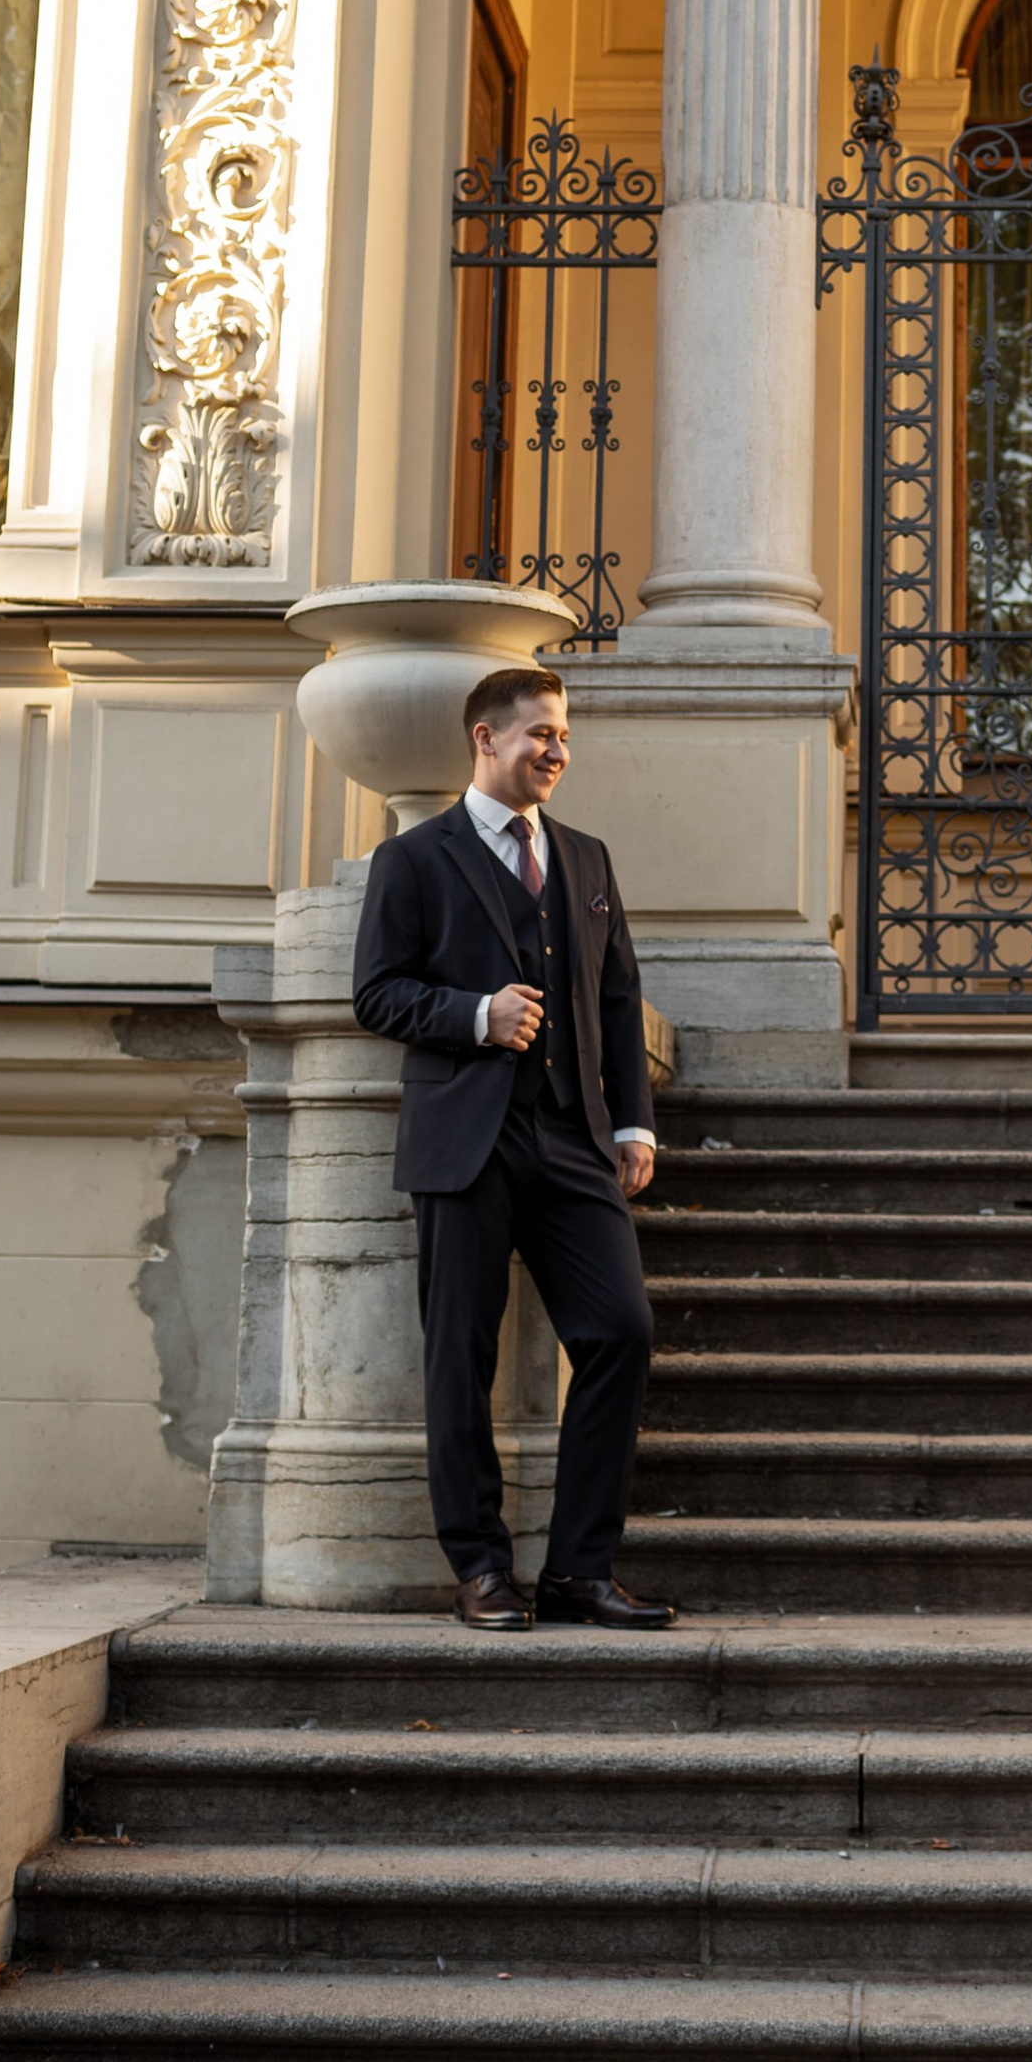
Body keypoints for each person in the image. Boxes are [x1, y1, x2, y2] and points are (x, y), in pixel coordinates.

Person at [352, 662, 671, 1634]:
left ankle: (579, 1570)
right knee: (460, 1356)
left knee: (620, 1331)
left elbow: (617, 998)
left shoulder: (587, 860)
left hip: (571, 1135)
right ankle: (480, 1568)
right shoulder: (412, 860)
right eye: (539, 733)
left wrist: (632, 1119)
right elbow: (375, 993)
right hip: (464, 1140)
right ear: (485, 738)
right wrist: (473, 1013)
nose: (557, 750)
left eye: (563, 735)